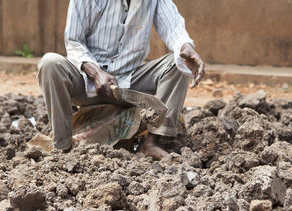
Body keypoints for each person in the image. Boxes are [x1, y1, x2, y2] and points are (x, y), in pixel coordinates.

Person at [37, 0, 205, 160]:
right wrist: (96, 73)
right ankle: (62, 148)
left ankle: (152, 143)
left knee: (178, 63)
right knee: (50, 63)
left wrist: (186, 48)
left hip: (130, 84)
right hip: (86, 82)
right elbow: (74, 41)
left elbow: (173, 28)